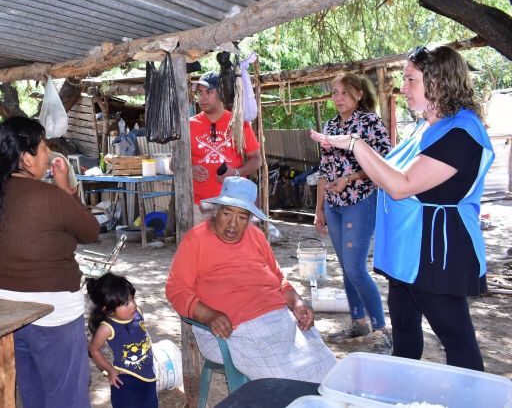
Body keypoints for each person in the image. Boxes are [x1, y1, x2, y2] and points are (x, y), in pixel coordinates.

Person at [310, 45, 494, 371]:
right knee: (405, 331)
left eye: (411, 80)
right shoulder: (427, 127)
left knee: (457, 341)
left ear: (438, 81)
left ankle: (472, 394)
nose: (403, 88)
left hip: (436, 252)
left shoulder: (461, 132)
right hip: (407, 251)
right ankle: (404, 388)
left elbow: (400, 185)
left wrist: (355, 144)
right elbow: (387, 173)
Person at [0, 116, 99, 408]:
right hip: (53, 314)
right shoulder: (52, 197)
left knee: (33, 393)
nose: (49, 153)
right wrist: (66, 190)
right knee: (67, 397)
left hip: (6, 314)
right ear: (26, 158)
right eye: (43, 147)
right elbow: (91, 231)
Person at [166, 177, 336, 383]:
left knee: (329, 368)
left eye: (242, 217)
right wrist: (208, 315)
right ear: (217, 210)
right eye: (227, 213)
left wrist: (297, 301)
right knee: (285, 380)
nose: (233, 224)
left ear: (249, 218)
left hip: (280, 320)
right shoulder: (195, 240)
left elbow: (278, 278)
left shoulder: (256, 235)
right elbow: (176, 290)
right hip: (232, 331)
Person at [314, 73, 393, 353]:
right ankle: (358, 323)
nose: (338, 98)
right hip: (333, 204)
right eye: (334, 93)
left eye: (344, 93)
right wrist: (319, 209)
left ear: (358, 94)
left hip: (361, 201)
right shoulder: (330, 126)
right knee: (346, 266)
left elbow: (384, 162)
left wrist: (350, 178)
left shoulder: (370, 123)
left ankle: (381, 330)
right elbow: (324, 170)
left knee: (355, 267)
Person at [190, 71, 261, 224]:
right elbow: (173, 163)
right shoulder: (189, 125)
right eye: (200, 92)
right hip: (198, 204)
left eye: (209, 92)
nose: (202, 97)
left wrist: (236, 173)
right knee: (199, 240)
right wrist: (189, 170)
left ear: (221, 93)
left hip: (233, 204)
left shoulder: (238, 123)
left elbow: (256, 159)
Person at [87, 273, 157, 408]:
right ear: (108, 309)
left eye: (132, 299)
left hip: (149, 377)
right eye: (126, 303)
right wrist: (110, 370)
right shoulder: (107, 328)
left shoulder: (139, 312)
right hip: (125, 381)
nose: (133, 305)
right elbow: (94, 349)